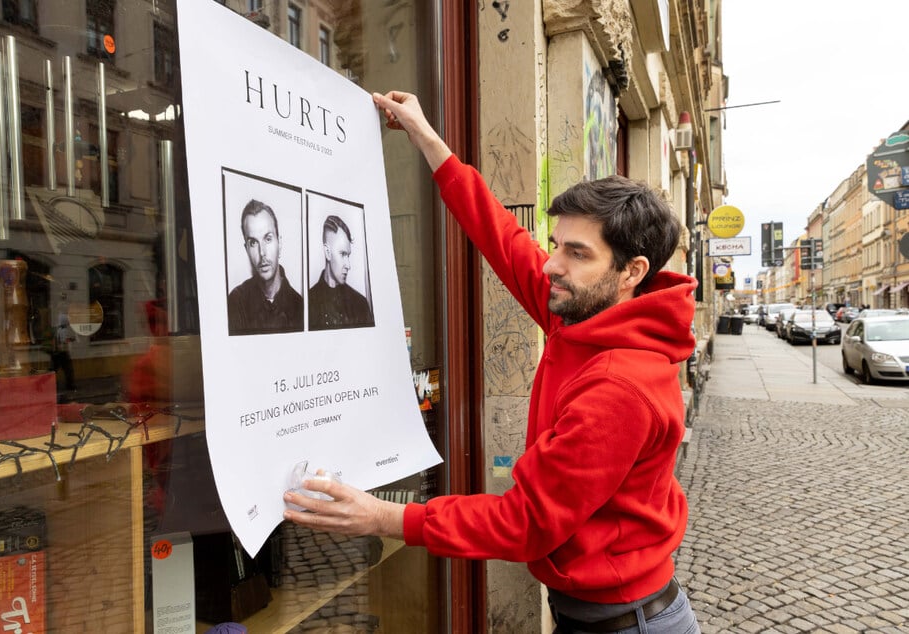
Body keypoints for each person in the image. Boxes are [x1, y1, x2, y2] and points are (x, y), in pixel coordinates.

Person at [283, 90, 700, 633]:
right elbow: (502, 237)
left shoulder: (621, 386)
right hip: (602, 612)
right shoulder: (582, 313)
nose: (552, 264)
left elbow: (526, 521)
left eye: (577, 253)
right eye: (557, 244)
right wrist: (427, 139)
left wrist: (384, 517)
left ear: (632, 272)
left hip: (625, 623)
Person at [227, 199, 303, 335]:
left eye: (268, 239)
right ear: (247, 250)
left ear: (279, 243)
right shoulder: (236, 302)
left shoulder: (300, 306)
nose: (262, 252)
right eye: (253, 243)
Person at [308, 214, 375, 330]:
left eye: (348, 255)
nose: (348, 265)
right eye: (342, 254)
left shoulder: (360, 304)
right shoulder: (307, 304)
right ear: (327, 252)